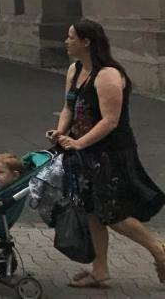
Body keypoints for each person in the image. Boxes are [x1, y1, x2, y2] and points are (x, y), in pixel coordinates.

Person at [46, 19, 165, 289]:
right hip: (84, 151)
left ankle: (159, 251)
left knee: (114, 213)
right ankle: (100, 271)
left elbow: (110, 121)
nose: (66, 42)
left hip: (111, 152)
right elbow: (68, 107)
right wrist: (61, 133)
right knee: (91, 210)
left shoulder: (108, 74)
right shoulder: (75, 70)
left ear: (86, 42)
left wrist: (79, 143)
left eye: (71, 37)